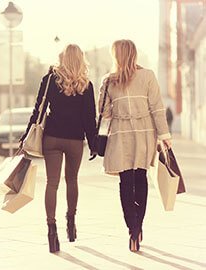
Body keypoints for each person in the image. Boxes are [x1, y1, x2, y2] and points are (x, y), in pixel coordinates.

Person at [19, 44, 97, 253]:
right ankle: (71, 223)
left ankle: (51, 230)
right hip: (74, 141)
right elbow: (90, 119)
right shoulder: (86, 85)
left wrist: (26, 135)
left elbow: (38, 110)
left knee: (51, 183)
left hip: (52, 138)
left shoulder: (49, 80)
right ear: (81, 59)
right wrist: (94, 144)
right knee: (72, 180)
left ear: (62, 58)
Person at [97, 39, 171, 252]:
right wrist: (164, 135)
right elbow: (157, 108)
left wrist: (105, 91)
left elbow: (105, 114)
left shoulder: (109, 81)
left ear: (116, 56)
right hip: (144, 134)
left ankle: (132, 229)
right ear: (134, 54)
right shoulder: (148, 76)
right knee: (141, 179)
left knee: (125, 182)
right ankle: (138, 227)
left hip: (120, 135)